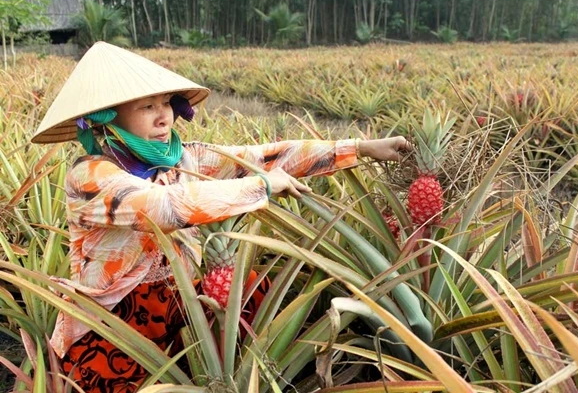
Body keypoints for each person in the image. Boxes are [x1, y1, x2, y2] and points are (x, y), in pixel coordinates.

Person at [31, 41, 410, 392]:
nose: (164, 117)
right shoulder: (90, 176)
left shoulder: (185, 159)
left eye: (166, 103)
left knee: (251, 293)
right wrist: (261, 187)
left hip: (179, 303)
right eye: (147, 107)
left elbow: (264, 157)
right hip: (116, 318)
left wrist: (359, 147)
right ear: (105, 119)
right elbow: (163, 207)